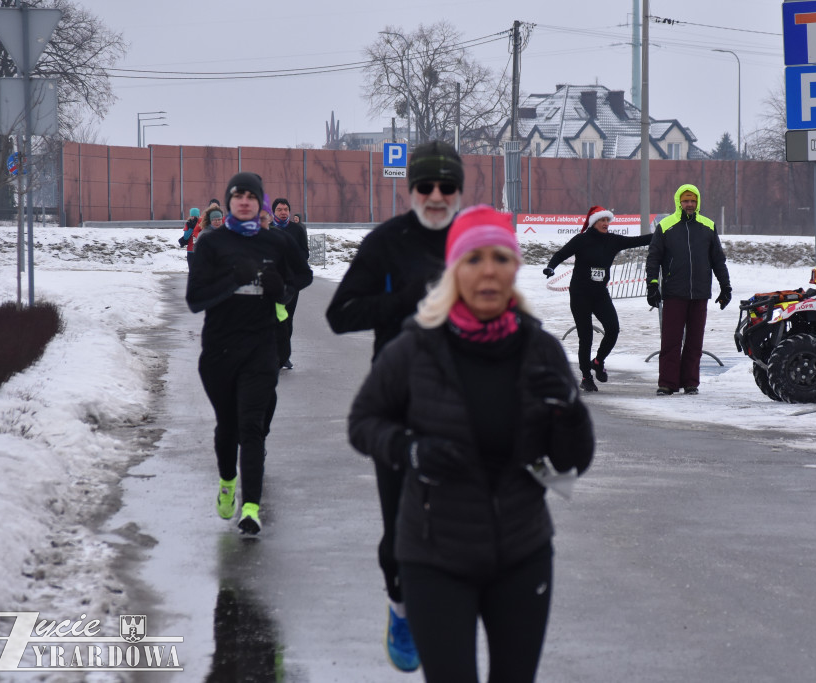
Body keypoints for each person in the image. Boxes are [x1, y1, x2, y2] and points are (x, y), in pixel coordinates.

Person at [348, 205, 594, 683]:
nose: (487, 271)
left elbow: (572, 461)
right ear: (454, 269)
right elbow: (363, 422)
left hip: (522, 553)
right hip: (434, 555)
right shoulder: (416, 347)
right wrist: (409, 450)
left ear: (515, 269)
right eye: (474, 258)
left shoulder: (541, 349)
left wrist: (568, 407)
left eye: (500, 258)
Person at [325, 140, 464, 672]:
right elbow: (340, 315)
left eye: (446, 186)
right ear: (410, 190)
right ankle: (401, 604)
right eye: (425, 186)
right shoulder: (386, 242)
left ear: (458, 192)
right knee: (402, 526)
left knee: (462, 523)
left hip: (464, 403)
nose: (435, 195)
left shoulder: (472, 240)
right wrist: (406, 298)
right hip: (399, 402)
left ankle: (450, 613)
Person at [186, 172, 313, 535]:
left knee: (252, 427)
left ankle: (251, 507)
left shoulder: (275, 241)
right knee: (228, 426)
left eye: (251, 196)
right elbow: (195, 300)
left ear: (260, 202)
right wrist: (233, 280)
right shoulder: (212, 244)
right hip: (220, 350)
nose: (244, 201)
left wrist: (282, 289)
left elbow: (303, 277)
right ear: (229, 202)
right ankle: (228, 482)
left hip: (261, 346)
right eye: (237, 195)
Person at [543, 205, 652, 391]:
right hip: (580, 294)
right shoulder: (581, 240)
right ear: (594, 222)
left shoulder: (613, 241)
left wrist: (665, 231)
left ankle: (598, 361)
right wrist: (551, 267)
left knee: (613, 328)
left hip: (600, 294)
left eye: (607, 220)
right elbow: (561, 254)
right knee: (585, 337)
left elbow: (638, 240)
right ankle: (586, 376)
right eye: (602, 220)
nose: (606, 223)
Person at [645, 184, 732, 396]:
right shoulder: (666, 226)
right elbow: (654, 258)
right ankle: (667, 383)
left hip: (700, 293)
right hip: (674, 292)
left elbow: (718, 260)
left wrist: (725, 286)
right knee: (671, 341)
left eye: (693, 201)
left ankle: (690, 382)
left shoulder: (708, 226)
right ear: (679, 202)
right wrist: (652, 285)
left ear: (698, 202)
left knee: (695, 342)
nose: (689, 205)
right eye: (686, 201)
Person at [270, 198, 310, 370]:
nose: (283, 212)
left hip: (291, 282)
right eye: (279, 209)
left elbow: (305, 253)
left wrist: (293, 260)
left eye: (286, 209)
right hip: (271, 281)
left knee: (287, 318)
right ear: (274, 212)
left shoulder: (297, 229)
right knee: (271, 318)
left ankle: (284, 355)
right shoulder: (268, 229)